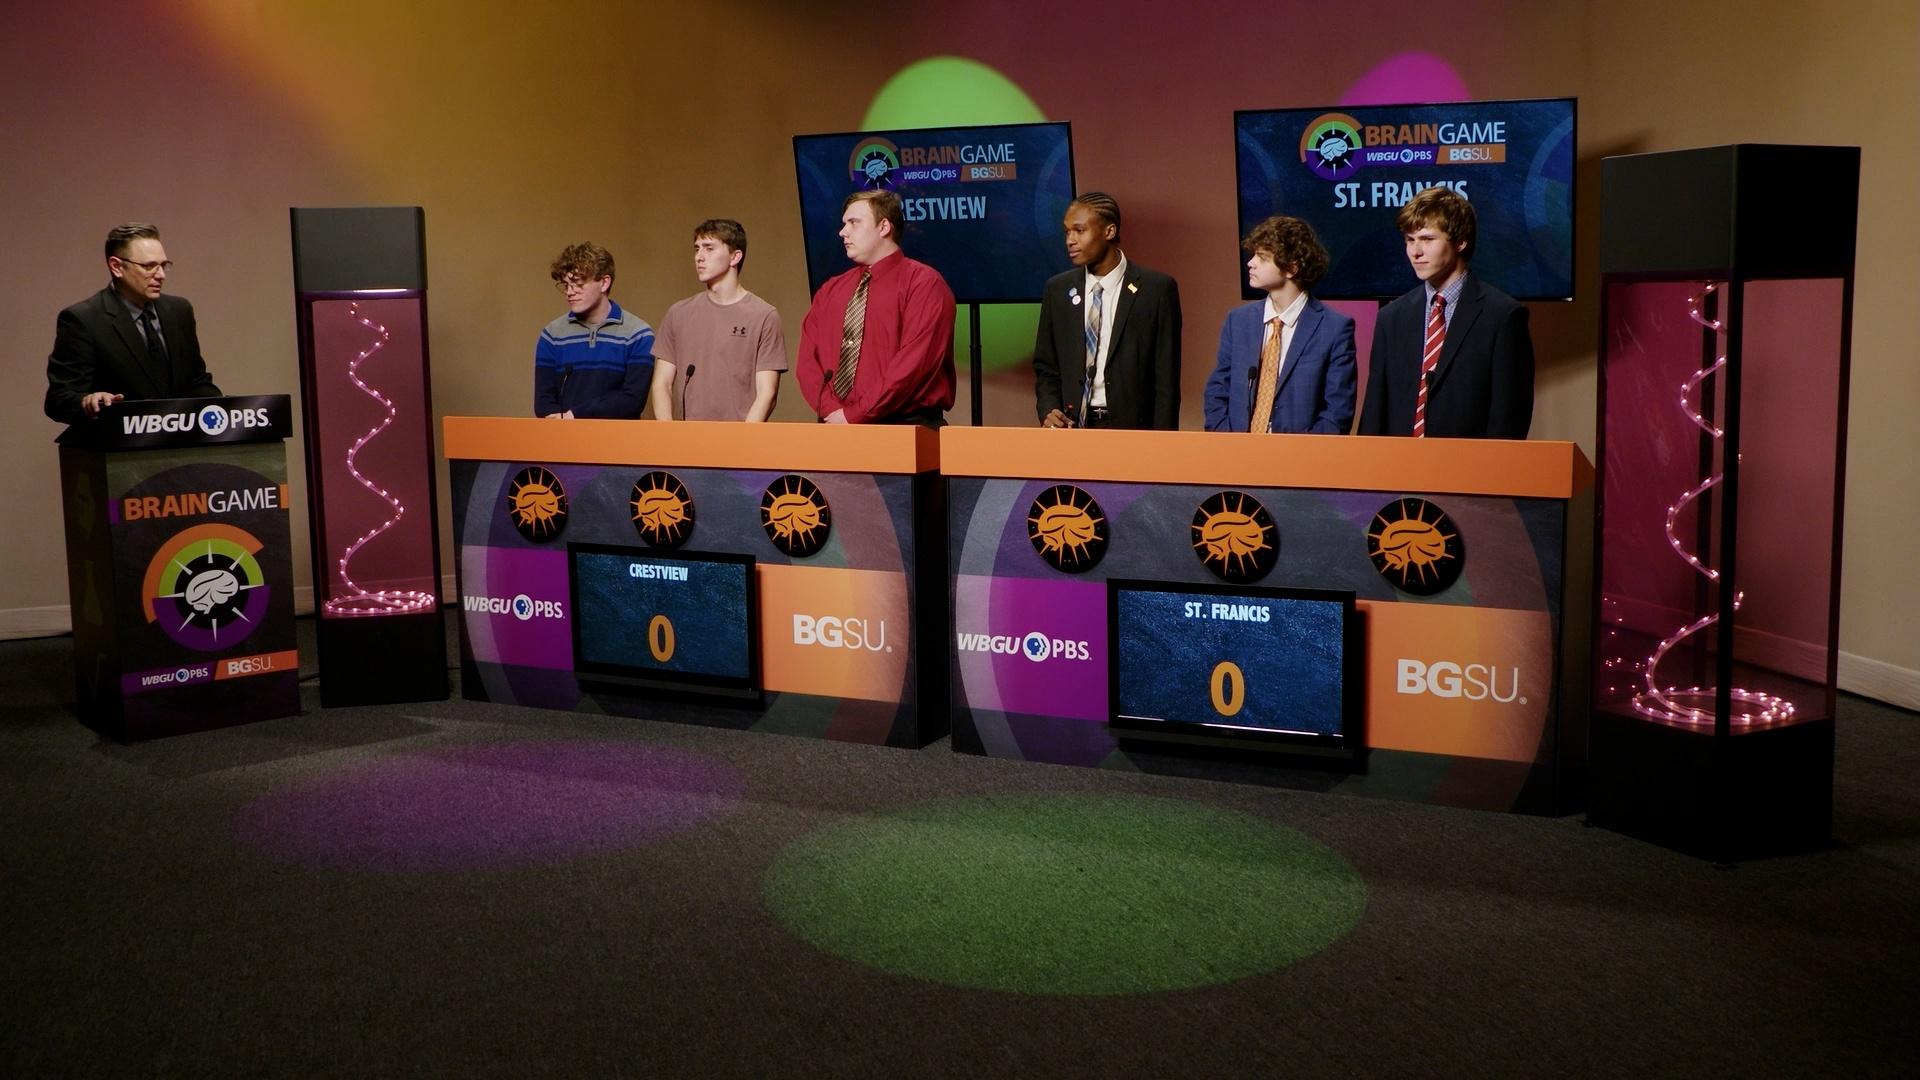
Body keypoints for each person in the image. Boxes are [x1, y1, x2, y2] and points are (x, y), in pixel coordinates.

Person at [1358, 187, 1534, 439]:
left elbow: (1509, 417)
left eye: (1427, 239)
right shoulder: (1391, 317)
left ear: (1460, 241)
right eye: (1409, 240)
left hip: (1469, 470)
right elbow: (1375, 410)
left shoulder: (1503, 316)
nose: (1415, 251)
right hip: (1397, 469)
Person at [795, 190, 955, 425]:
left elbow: (913, 366)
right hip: (835, 427)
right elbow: (808, 362)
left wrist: (853, 415)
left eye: (853, 223)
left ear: (884, 227)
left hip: (904, 428)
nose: (843, 232)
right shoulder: (831, 290)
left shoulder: (924, 285)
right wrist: (832, 412)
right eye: (843, 224)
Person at [45, 222, 221, 424]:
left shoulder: (179, 311)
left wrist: (228, 411)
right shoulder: (83, 319)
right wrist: (87, 401)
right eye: (149, 266)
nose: (161, 275)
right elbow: (58, 399)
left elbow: (196, 381)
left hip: (180, 444)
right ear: (117, 266)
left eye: (163, 265)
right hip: (119, 445)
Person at [1032, 192, 1181, 429]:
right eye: (1067, 231)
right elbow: (1046, 367)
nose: (1070, 240)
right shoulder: (1058, 290)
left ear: (1109, 231)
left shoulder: (1156, 290)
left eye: (1079, 231)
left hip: (1132, 431)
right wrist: (1049, 410)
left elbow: (1166, 380)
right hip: (1072, 427)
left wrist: (1163, 444)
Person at [1204, 216, 1355, 434]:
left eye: (1262, 257)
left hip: (1301, 460)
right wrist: (1228, 443)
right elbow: (1218, 389)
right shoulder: (1237, 321)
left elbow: (1337, 412)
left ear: (1291, 268)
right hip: (1236, 455)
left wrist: (1299, 458)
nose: (1251, 262)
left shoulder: (1334, 328)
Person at [650, 220, 786, 422]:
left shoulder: (763, 315)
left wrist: (745, 440)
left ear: (735, 256)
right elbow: (662, 383)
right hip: (688, 440)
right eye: (697, 249)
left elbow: (767, 393)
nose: (699, 257)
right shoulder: (678, 313)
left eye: (709, 248)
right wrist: (669, 435)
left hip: (740, 442)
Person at [533, 242, 654, 419]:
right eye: (565, 285)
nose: (569, 292)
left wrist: (576, 414)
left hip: (620, 443)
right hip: (564, 441)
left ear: (604, 283)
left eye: (577, 283)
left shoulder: (638, 334)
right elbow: (543, 403)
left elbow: (632, 400)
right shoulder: (552, 335)